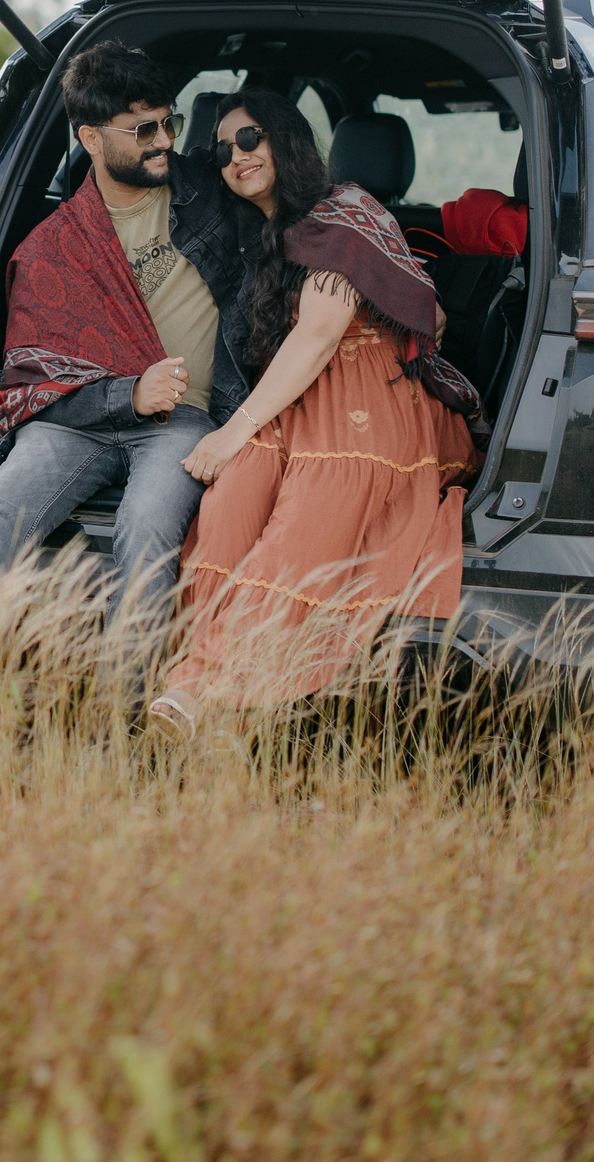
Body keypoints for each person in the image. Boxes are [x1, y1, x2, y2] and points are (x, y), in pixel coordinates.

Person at [151, 89, 482, 731]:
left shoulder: (344, 213)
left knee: (311, 509)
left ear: (286, 140)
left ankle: (201, 689)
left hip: (372, 399)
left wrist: (229, 433)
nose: (236, 156)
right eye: (222, 150)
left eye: (250, 138)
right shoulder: (260, 233)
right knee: (231, 500)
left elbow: (319, 335)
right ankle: (210, 684)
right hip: (299, 400)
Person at [0, 42, 252, 693]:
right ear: (90, 137)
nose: (163, 141)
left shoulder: (210, 197)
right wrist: (127, 394)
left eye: (169, 123)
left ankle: (119, 712)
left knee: (146, 528)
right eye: (143, 130)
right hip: (76, 422)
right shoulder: (53, 245)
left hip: (182, 422)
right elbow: (34, 384)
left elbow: (298, 210)